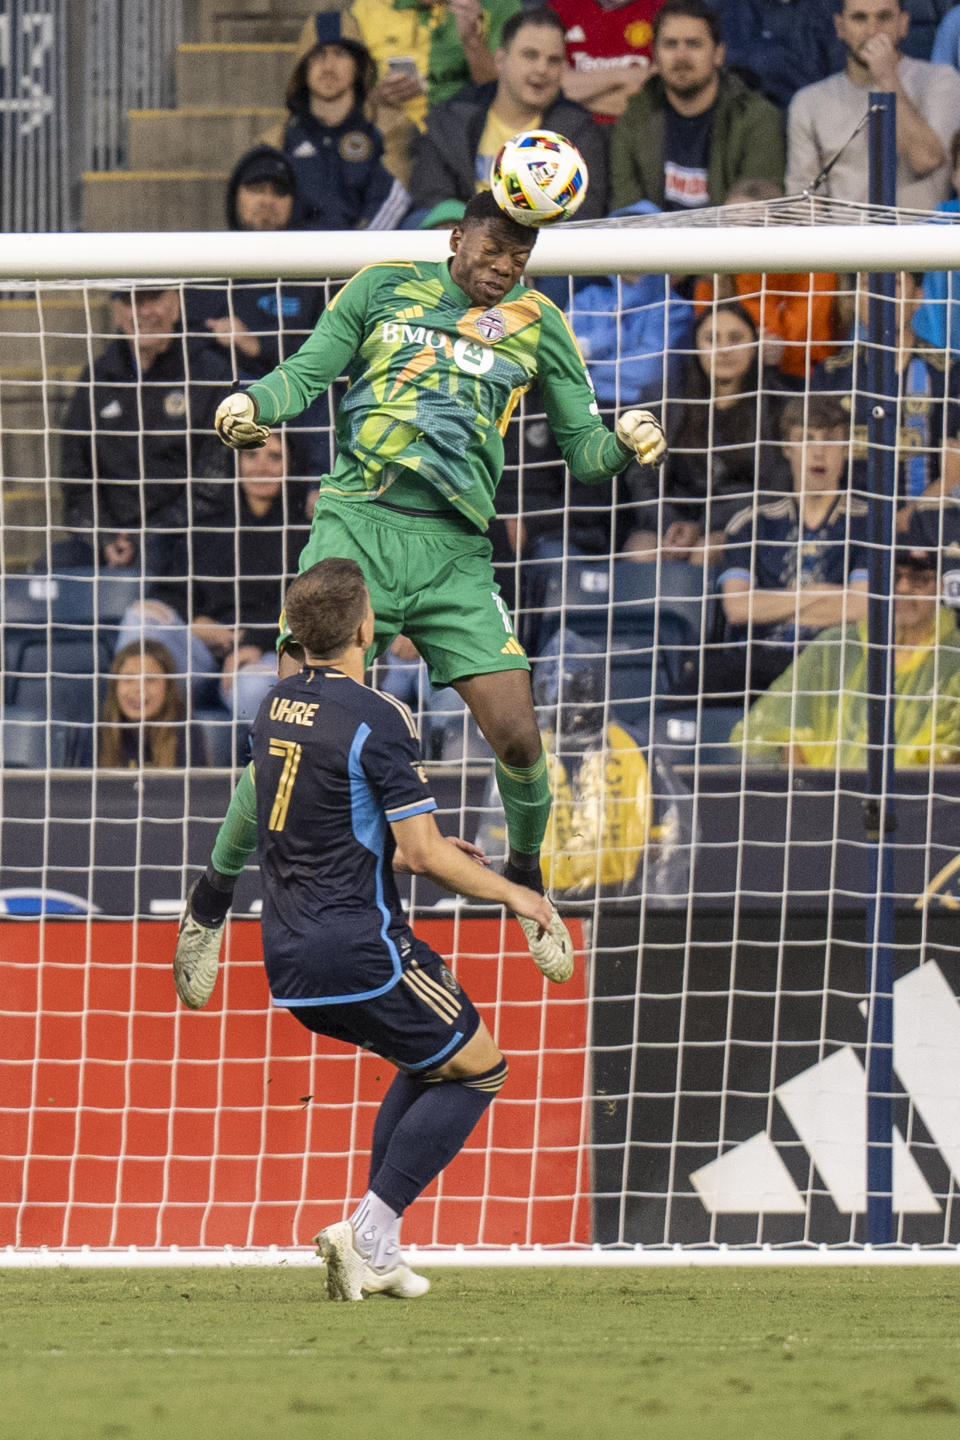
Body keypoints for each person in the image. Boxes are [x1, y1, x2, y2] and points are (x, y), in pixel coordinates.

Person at [174, 188, 667, 979]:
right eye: (492, 247)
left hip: (454, 552)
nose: (503, 267)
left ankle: (529, 878)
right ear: (457, 236)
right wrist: (250, 401)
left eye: (520, 256)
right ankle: (211, 898)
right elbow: (304, 376)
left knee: (516, 731)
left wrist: (624, 443)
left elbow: (582, 450)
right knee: (291, 726)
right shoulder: (382, 287)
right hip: (356, 529)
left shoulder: (540, 326)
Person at [174, 558, 558, 1301]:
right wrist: (519, 895)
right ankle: (369, 1230)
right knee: (483, 1069)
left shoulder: (273, 706)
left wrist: (434, 848)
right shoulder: (381, 717)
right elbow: (419, 854)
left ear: (296, 634)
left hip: (285, 960)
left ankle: (377, 1247)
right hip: (363, 949)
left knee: (429, 1063)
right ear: (365, 628)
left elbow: (336, 817)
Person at [114, 433, 310, 719]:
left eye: (275, 457)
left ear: (292, 465)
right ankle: (132, 750)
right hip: (200, 655)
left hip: (262, 653)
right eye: (251, 455)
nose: (261, 467)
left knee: (257, 688)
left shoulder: (308, 535)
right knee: (139, 619)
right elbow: (170, 591)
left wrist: (253, 640)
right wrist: (197, 623)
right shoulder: (208, 527)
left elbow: (306, 611)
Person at [55, 287, 234, 575]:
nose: (143, 311)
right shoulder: (97, 377)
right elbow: (75, 477)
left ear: (175, 303)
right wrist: (104, 537)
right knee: (52, 569)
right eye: (131, 301)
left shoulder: (212, 374)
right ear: (116, 311)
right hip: (107, 539)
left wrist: (147, 537)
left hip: (186, 538)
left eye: (153, 298)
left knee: (153, 565)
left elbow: (214, 483)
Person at [731, 545, 960, 766]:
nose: (905, 588)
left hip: (922, 801)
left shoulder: (955, 657)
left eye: (920, 579)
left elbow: (948, 756)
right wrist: (807, 799)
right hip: (827, 798)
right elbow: (793, 731)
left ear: (939, 587)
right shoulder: (833, 647)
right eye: (894, 577)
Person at [717, 395, 870, 694]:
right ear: (787, 448)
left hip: (837, 664)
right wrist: (822, 594)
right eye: (806, 439)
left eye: (830, 440)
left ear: (848, 448)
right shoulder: (750, 523)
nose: (818, 452)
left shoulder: (870, 523)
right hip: (757, 663)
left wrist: (770, 604)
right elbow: (737, 608)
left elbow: (860, 607)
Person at [626, 300, 789, 564]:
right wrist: (669, 524)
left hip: (741, 523)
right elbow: (642, 480)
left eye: (736, 339)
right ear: (696, 348)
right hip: (672, 520)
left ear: (754, 346)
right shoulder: (668, 405)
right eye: (711, 339)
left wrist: (702, 528)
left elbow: (775, 488)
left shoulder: (778, 407)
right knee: (641, 550)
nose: (723, 350)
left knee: (705, 552)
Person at [409, 7, 610, 219]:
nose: (542, 69)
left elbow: (585, 212)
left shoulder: (578, 131)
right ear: (500, 60)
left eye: (554, 60)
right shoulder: (451, 119)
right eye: (530, 55)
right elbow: (431, 197)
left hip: (545, 245)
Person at [296, 1, 523, 188]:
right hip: (392, 148)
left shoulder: (498, 5)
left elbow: (512, 96)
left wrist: (472, 40)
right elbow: (341, 96)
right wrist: (376, 97)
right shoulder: (366, 10)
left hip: (472, 148)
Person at [811, 270, 960, 520]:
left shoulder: (949, 375)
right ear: (856, 297)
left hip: (925, 527)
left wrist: (908, 520)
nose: (881, 294)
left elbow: (955, 471)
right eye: (870, 284)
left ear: (919, 297)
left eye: (896, 283)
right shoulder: (830, 376)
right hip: (843, 527)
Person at [610, 0, 785, 213]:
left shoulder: (756, 117)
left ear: (719, 54)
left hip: (728, 242)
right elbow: (626, 209)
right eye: (670, 44)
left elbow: (760, 193)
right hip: (653, 244)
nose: (681, 56)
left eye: (694, 44)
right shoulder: (634, 118)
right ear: (655, 54)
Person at [786, 0, 960, 208]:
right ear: (840, 27)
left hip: (922, 233)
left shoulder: (940, 81)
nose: (872, 30)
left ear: (903, 24)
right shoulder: (809, 103)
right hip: (844, 235)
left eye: (884, 17)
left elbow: (927, 160)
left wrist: (887, 79)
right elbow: (804, 202)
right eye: (859, 18)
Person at [690, 178, 840, 383]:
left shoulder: (815, 271)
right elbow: (708, 347)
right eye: (731, 225)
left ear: (781, 226)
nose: (741, 233)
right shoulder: (709, 279)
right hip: (731, 384)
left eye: (754, 224)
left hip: (803, 383)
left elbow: (801, 345)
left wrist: (758, 343)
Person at [270, 13, 410, 231]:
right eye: (318, 55)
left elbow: (395, 199)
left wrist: (353, 253)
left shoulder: (389, 129)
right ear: (303, 68)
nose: (328, 67)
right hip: (294, 258)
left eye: (340, 54)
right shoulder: (277, 140)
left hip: (367, 256)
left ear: (358, 65)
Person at [78, 639, 207, 769]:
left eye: (150, 680)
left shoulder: (186, 730)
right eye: (128, 679)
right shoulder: (97, 731)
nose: (138, 688)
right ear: (115, 685)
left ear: (168, 687)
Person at [711, 0, 842, 110]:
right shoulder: (724, 9)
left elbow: (843, 83)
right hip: (743, 123)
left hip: (813, 122)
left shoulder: (829, 10)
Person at [550, 0, 661, 124]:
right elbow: (554, 86)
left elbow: (655, 98)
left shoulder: (660, 8)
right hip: (573, 126)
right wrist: (624, 76)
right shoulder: (561, 6)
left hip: (641, 128)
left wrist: (579, 91)